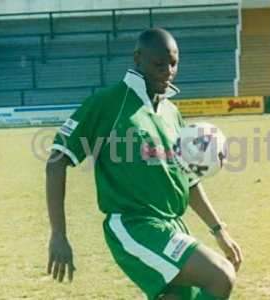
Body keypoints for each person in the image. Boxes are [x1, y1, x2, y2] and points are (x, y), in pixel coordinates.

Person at [46, 28, 243, 300]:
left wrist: (219, 230)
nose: (167, 71)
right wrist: (58, 234)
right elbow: (56, 162)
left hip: (172, 225)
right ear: (138, 59)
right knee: (220, 276)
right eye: (158, 64)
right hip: (134, 226)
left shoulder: (172, 113)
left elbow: (188, 178)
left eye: (173, 63)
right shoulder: (107, 103)